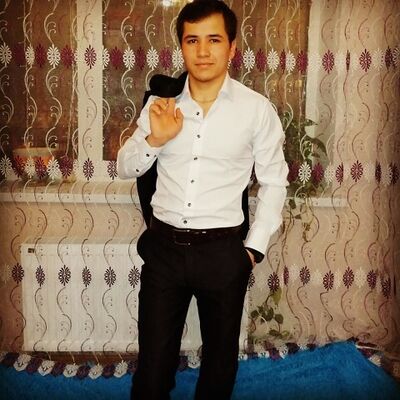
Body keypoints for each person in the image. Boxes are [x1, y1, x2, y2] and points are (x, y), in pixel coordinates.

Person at [117, 1, 288, 398]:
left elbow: (274, 182)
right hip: (164, 251)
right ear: (182, 46)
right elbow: (126, 166)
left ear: (232, 47)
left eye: (214, 40)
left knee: (219, 367)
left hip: (223, 252)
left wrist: (253, 249)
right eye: (192, 40)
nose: (203, 51)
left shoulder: (256, 110)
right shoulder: (161, 105)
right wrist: (156, 139)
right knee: (153, 369)